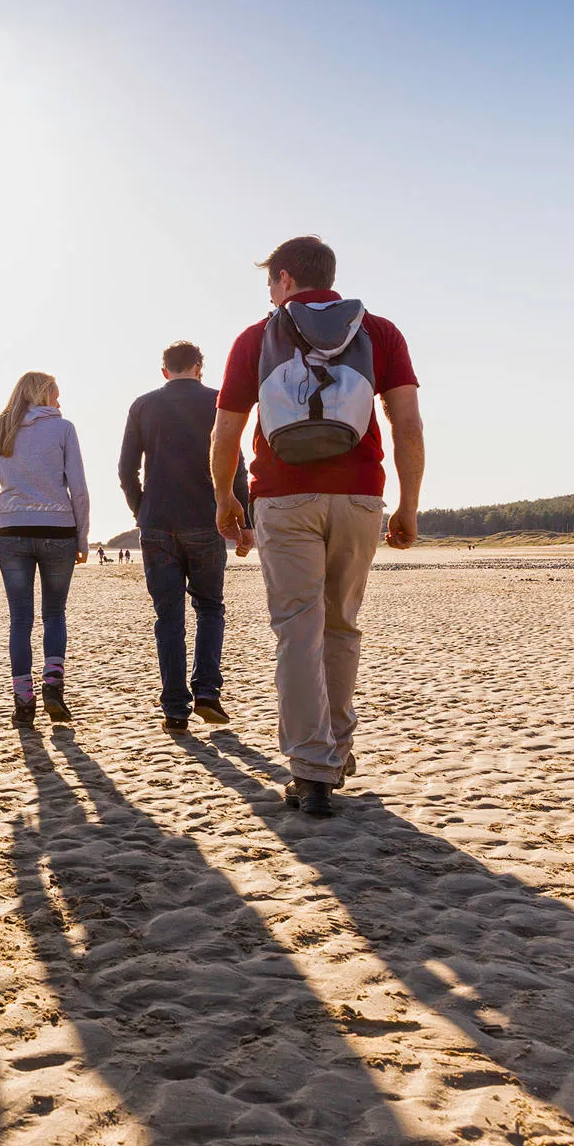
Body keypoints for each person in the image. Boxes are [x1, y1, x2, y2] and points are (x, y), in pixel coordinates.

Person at [211, 236, 424, 817]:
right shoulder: (379, 332)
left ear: (283, 280)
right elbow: (407, 424)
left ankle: (311, 769)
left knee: (297, 631)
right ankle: (337, 750)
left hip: (283, 496)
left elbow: (226, 432)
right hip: (359, 496)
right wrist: (407, 505)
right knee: (341, 624)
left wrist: (225, 501)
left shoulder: (257, 337)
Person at [120, 340, 252, 732]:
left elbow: (127, 470)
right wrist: (243, 520)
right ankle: (207, 691)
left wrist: (140, 509)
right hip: (206, 520)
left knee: (169, 617)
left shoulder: (143, 405)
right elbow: (236, 464)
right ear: (199, 367)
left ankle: (176, 709)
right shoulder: (217, 402)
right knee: (210, 606)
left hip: (157, 521)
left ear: (164, 371)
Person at [0, 371, 90, 730]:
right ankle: (53, 688)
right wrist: (82, 537)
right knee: (54, 614)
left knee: (20, 620)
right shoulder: (64, 429)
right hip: (59, 532)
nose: (60, 402)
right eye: (57, 394)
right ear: (44, 395)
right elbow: (80, 490)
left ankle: (24, 703)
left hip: (12, 535)